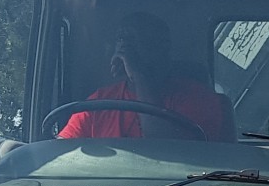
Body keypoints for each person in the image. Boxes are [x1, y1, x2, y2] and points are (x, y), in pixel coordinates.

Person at [59, 13, 231, 140]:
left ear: (162, 48)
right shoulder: (99, 102)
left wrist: (139, 76)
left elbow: (170, 153)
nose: (126, 47)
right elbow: (62, 153)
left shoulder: (197, 97)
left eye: (135, 40)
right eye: (121, 39)